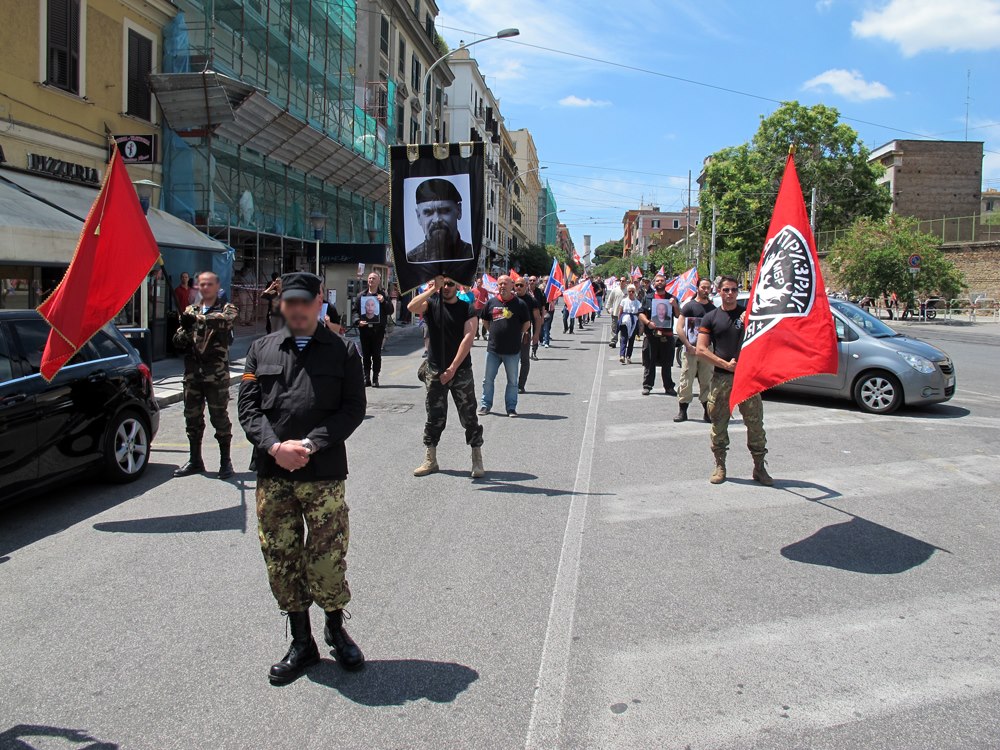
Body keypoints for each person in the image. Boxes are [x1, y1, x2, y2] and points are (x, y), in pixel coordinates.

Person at [237, 272, 367, 685]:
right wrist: (276, 448)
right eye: (288, 303)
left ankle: (334, 626)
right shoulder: (260, 350)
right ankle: (301, 641)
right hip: (274, 473)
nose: (295, 309)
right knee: (281, 556)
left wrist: (309, 445)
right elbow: (249, 410)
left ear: (317, 303)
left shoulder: (343, 350)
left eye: (303, 302)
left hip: (323, 473)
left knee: (327, 555)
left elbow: (352, 409)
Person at [697, 275, 772, 486]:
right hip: (722, 379)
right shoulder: (711, 317)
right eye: (726, 290)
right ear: (718, 292)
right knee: (719, 425)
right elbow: (701, 349)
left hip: (748, 379)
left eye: (734, 290)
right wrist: (724, 364)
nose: (730, 294)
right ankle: (720, 466)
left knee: (755, 425)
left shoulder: (748, 315)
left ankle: (759, 467)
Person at [408, 276, 485, 479]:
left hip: (460, 371)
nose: (447, 288)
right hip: (435, 369)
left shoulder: (467, 308)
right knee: (434, 416)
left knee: (469, 416)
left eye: (451, 284)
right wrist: (433, 289)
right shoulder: (432, 303)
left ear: (457, 286)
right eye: (444, 284)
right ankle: (430, 460)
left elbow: (468, 338)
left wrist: (452, 368)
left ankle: (476, 458)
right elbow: (411, 307)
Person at [172, 272, 238, 479]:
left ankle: (225, 462)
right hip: (193, 375)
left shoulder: (227, 309)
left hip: (215, 375)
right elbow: (177, 341)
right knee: (192, 418)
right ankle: (195, 460)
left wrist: (197, 319)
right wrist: (184, 329)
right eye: (202, 285)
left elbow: (225, 322)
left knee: (219, 419)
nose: (205, 288)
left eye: (209, 285)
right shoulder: (190, 310)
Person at [479, 275, 530, 417]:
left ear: (511, 285)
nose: (502, 286)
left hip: (512, 351)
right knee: (488, 379)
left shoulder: (520, 304)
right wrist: (493, 332)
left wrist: (516, 334)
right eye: (500, 284)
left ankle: (511, 408)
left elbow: (526, 323)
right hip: (493, 350)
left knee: (512, 381)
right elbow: (485, 320)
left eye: (505, 284)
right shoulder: (491, 302)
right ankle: (485, 405)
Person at [674, 277, 716, 423]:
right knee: (686, 380)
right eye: (703, 287)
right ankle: (682, 412)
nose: (706, 290)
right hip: (690, 349)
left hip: (706, 351)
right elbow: (679, 327)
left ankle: (708, 412)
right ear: (698, 288)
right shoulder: (689, 306)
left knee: (707, 381)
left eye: (708, 288)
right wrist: (688, 345)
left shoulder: (713, 309)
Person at [407, 179, 475, 263]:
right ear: (418, 216)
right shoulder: (411, 259)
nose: (437, 219)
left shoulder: (472, 255)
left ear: (459, 210)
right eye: (428, 212)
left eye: (444, 211)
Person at [637, 274, 681, 396]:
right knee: (649, 363)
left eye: (662, 280)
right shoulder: (648, 298)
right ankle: (647, 386)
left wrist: (675, 306)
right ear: (654, 283)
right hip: (652, 336)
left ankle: (669, 387)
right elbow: (640, 313)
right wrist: (647, 322)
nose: (660, 282)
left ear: (665, 283)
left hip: (667, 336)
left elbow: (678, 315)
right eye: (657, 281)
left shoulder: (672, 298)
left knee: (667, 364)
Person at [353, 271, 392, 387]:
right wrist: (358, 321)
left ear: (379, 281)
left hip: (378, 330)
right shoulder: (361, 296)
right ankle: (366, 377)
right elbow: (355, 311)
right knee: (365, 354)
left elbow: (390, 310)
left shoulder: (383, 295)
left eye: (373, 278)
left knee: (376, 354)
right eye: (369, 278)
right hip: (364, 330)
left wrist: (384, 302)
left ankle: (375, 377)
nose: (371, 280)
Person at [515, 277, 542, 393]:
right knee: (511, 360)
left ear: (526, 286)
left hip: (525, 334)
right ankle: (512, 383)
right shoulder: (510, 299)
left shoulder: (532, 300)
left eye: (521, 285)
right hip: (511, 334)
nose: (519, 287)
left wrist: (536, 335)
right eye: (517, 285)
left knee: (524, 359)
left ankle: (521, 385)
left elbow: (537, 318)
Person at [617, 284, 642, 364]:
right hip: (625, 321)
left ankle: (628, 356)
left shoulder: (637, 302)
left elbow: (639, 313)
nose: (631, 293)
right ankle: (622, 355)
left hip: (634, 321)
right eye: (629, 291)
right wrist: (619, 321)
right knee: (624, 338)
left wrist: (640, 324)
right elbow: (620, 311)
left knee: (631, 340)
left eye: (632, 291)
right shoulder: (624, 301)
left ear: (635, 292)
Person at [529, 276, 547, 359]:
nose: (532, 281)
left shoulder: (539, 292)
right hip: (526, 315)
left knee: (536, 333)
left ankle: (534, 352)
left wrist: (542, 317)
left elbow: (543, 305)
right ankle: (524, 351)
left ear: (536, 282)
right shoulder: (525, 291)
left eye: (534, 280)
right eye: (530, 280)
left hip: (537, 315)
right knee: (526, 333)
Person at [605, 277, 626, 348]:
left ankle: (623, 341)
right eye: (621, 281)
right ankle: (613, 341)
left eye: (623, 281)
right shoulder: (615, 290)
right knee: (614, 327)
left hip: (625, 313)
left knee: (624, 328)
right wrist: (608, 308)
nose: (622, 282)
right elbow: (610, 299)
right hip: (616, 312)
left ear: (626, 282)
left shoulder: (628, 290)